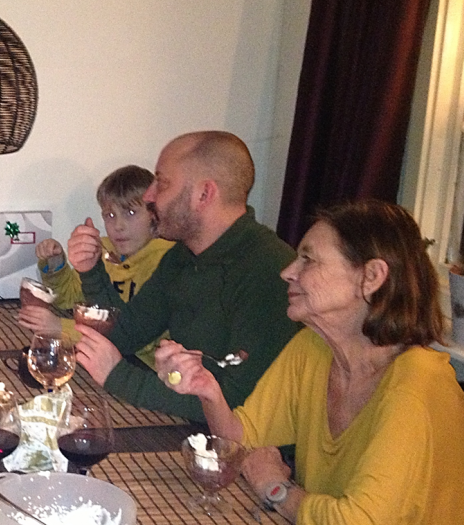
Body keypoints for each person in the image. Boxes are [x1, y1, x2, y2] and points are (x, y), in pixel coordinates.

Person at [157, 199, 464, 525]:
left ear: (371, 277)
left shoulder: (418, 381)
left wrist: (275, 489)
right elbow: (239, 444)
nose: (288, 272)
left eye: (308, 259)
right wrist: (208, 390)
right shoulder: (313, 347)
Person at [70, 131, 301, 421]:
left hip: (239, 442)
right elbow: (124, 335)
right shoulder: (182, 256)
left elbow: (238, 404)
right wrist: (91, 270)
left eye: (162, 183)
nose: (149, 196)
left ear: (204, 194)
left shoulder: (268, 269)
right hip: (189, 425)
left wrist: (119, 377)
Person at [17, 165, 173, 364]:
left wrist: (60, 329)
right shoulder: (104, 249)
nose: (118, 226)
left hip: (147, 367)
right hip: (105, 357)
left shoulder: (166, 262)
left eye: (130, 212)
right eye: (110, 215)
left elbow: (135, 338)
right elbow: (71, 300)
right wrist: (56, 265)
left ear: (154, 214)